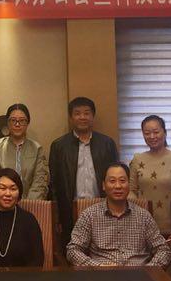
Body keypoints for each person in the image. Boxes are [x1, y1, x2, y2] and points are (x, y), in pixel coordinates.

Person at [67, 163, 171, 267]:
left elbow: (163, 250)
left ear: (129, 185)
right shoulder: (89, 215)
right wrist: (98, 266)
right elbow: (73, 250)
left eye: (122, 181)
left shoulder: (143, 216)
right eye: (112, 181)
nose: (118, 186)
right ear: (103, 185)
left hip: (139, 273)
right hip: (102, 274)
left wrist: (148, 269)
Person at [49, 96, 119, 245]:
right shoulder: (59, 146)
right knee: (74, 250)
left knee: (104, 249)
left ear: (93, 116)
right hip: (71, 211)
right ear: (71, 117)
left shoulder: (107, 144)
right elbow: (54, 184)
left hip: (102, 208)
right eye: (77, 113)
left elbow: (116, 178)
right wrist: (57, 217)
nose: (82, 117)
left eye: (87, 113)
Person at [128, 114, 171, 234]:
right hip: (141, 225)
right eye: (147, 133)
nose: (152, 136)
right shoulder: (137, 159)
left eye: (156, 132)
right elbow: (132, 190)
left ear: (165, 133)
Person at [0, 103, 49, 200]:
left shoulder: (37, 148)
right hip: (3, 202)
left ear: (27, 123)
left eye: (22, 121)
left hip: (31, 204)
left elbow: (40, 181)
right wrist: (5, 202)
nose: (17, 124)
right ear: (7, 123)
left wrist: (29, 205)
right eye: (13, 120)